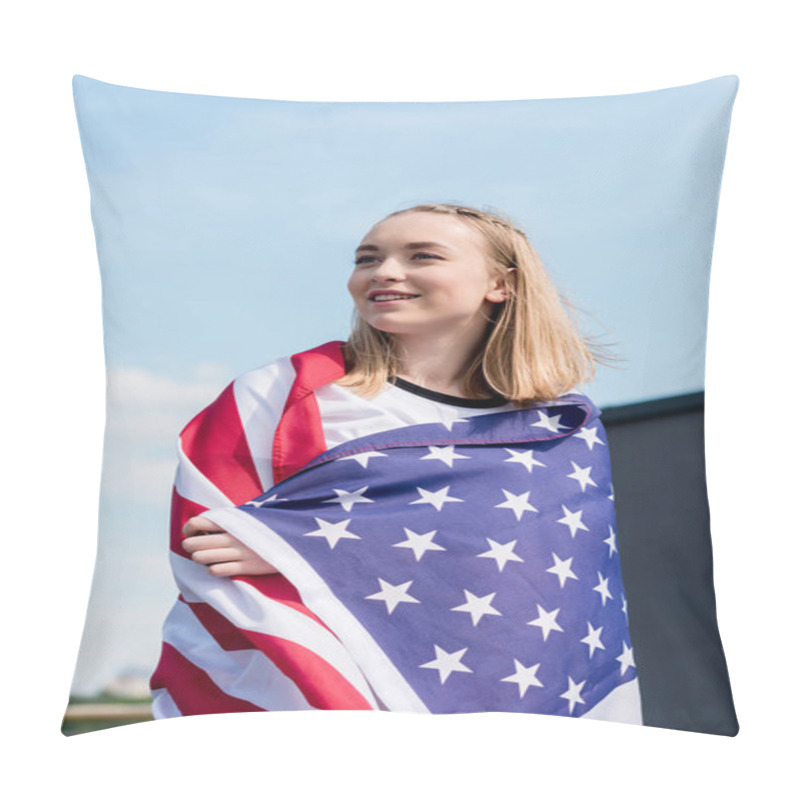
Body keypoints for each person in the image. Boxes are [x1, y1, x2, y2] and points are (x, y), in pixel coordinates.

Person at [150, 203, 641, 723]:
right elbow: (206, 540)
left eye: (422, 256)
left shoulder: (557, 425)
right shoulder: (286, 392)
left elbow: (543, 583)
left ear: (502, 283)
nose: (383, 272)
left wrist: (303, 545)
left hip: (508, 701)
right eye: (367, 259)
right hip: (321, 703)